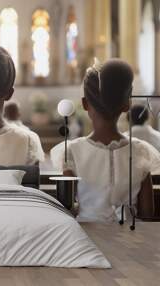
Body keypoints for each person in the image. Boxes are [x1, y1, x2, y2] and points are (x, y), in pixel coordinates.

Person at [50, 59, 160, 222]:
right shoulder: (141, 152)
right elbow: (146, 214)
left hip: (87, 242)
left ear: (85, 104)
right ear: (127, 104)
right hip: (131, 244)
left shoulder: (71, 152)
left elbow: (65, 213)